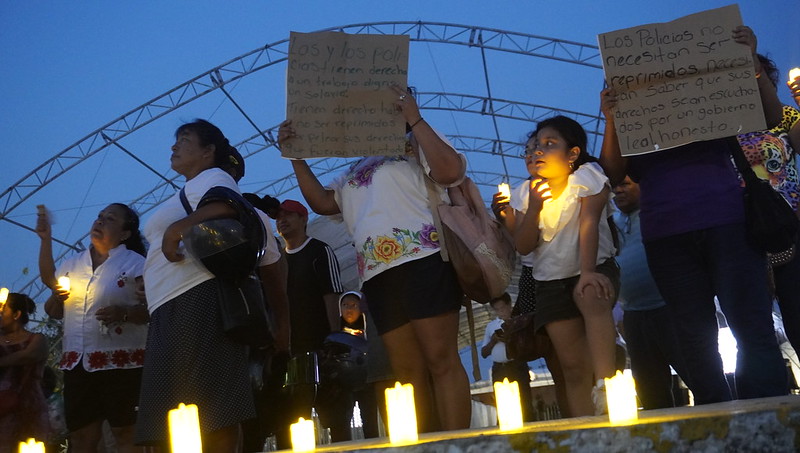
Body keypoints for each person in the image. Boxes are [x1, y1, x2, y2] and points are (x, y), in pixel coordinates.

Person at [598, 26, 787, 405]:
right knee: (693, 334)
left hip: (727, 222)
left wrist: (750, 62)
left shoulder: (711, 96)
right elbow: (613, 172)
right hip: (667, 235)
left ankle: (766, 414)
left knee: (751, 325)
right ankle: (717, 416)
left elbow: (772, 119)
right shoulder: (632, 115)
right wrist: (612, 118)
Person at [278, 84, 471, 432]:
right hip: (378, 275)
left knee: (440, 359)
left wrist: (415, 119)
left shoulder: (415, 143)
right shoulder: (355, 168)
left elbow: (450, 172)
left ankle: (458, 443)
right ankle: (425, 443)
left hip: (424, 260)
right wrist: (296, 158)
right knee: (406, 372)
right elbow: (323, 203)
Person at [134, 119, 255, 451]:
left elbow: (230, 206)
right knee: (173, 411)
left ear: (208, 151)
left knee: (212, 409)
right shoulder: (188, 190)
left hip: (197, 294)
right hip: (169, 302)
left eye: (184, 139)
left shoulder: (214, 177)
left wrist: (177, 228)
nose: (174, 146)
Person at [514, 115, 619, 417]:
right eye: (535, 145)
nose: (538, 151)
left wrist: (588, 272)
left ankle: (607, 388)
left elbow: (588, 223)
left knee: (591, 294)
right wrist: (534, 208)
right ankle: (586, 425)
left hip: (592, 267)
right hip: (550, 282)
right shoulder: (525, 194)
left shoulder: (587, 177)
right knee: (572, 367)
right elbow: (523, 245)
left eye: (550, 144)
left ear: (572, 154)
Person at [37, 203, 148, 453]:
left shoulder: (136, 264)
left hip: (123, 365)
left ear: (125, 233)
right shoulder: (73, 264)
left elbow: (152, 310)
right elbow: (53, 308)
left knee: (125, 433)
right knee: (81, 436)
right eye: (99, 216)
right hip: (79, 364)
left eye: (110, 219)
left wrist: (124, 313)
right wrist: (45, 240)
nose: (100, 221)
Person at [735, 54, 800, 359]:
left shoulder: (785, 116)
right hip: (741, 235)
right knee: (754, 330)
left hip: (790, 227)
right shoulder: (718, 127)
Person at [612, 176, 690, 410]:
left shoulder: (660, 213)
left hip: (670, 309)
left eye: (625, 184)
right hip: (634, 315)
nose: (618, 190)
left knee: (696, 374)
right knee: (650, 391)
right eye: (615, 186)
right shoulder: (612, 224)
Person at [0, 293, 50, 451]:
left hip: (29, 404)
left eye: (3, 310)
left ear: (16, 314)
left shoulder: (37, 340)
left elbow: (28, 356)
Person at [480, 292, 534, 422]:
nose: (501, 312)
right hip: (499, 368)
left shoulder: (520, 322)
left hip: (517, 365)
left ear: (509, 305)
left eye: (503, 308)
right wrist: (494, 341)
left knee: (524, 401)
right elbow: (484, 353)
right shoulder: (491, 326)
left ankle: (528, 425)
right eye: (497, 309)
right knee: (501, 402)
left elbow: (528, 346)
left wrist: (511, 340)